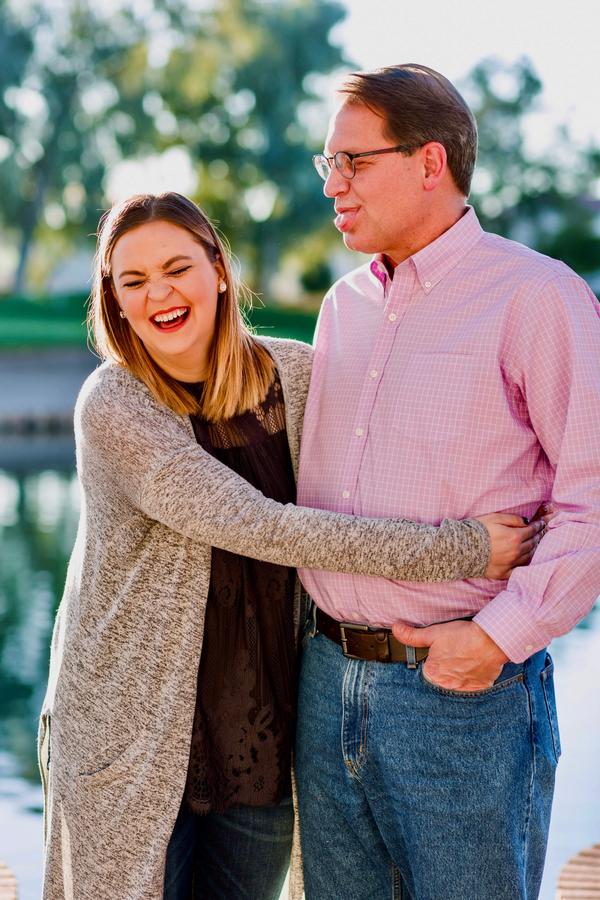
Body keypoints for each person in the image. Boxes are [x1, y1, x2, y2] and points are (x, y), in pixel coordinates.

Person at [38, 192, 542, 900]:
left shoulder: (297, 376)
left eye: (177, 268)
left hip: (261, 731)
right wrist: (460, 549)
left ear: (218, 270)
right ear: (114, 300)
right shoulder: (115, 403)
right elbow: (261, 525)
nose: (160, 294)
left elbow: (381, 467)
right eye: (134, 280)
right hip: (132, 733)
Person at [295, 64, 600, 900]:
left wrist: (499, 638)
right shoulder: (341, 306)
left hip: (462, 698)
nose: (333, 184)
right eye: (327, 163)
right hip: (324, 683)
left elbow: (592, 500)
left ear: (431, 162)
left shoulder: (538, 296)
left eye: (353, 161)